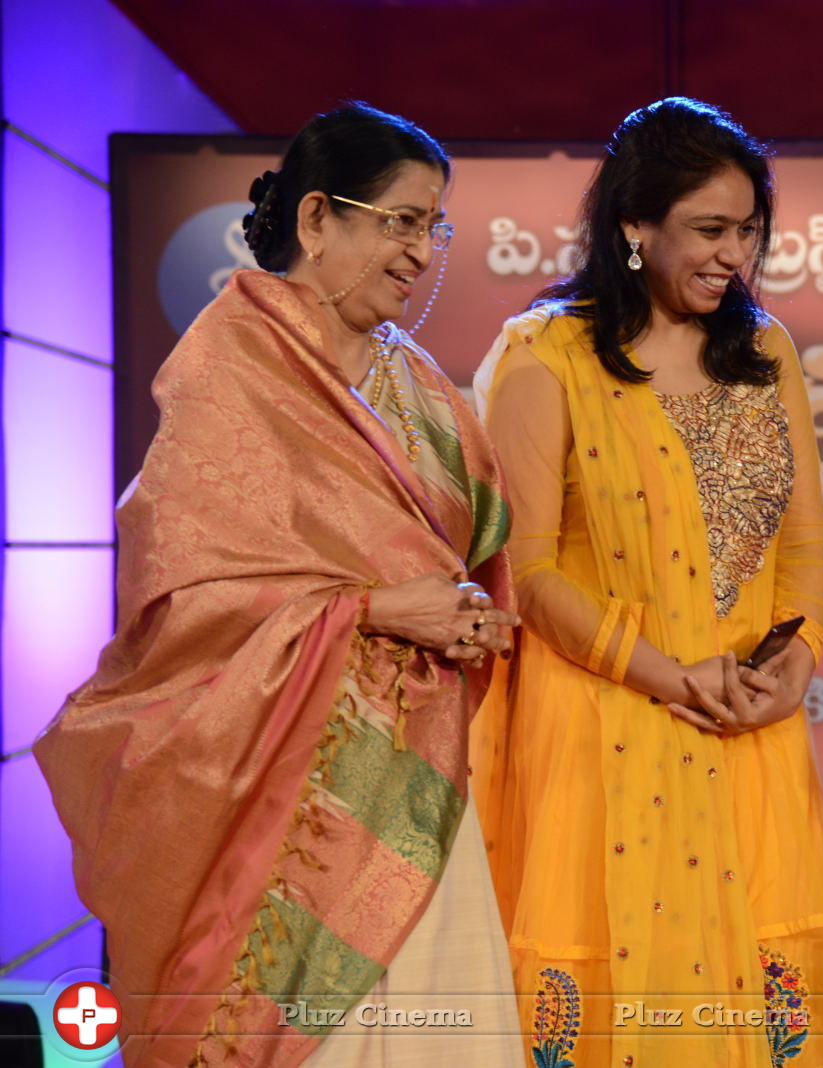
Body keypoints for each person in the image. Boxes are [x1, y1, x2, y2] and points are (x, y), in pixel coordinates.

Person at [35, 104, 525, 1067]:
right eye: (400, 221)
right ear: (315, 220)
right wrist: (379, 610)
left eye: (436, 227)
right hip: (273, 791)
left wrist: (460, 618)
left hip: (413, 785)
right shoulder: (232, 369)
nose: (424, 252)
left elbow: (472, 549)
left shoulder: (421, 386)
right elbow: (185, 601)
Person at [470, 97, 823, 1067]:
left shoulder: (763, 350)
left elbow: (804, 546)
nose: (732, 255)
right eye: (708, 229)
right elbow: (527, 574)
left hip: (747, 727)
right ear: (633, 224)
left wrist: (800, 658)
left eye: (747, 231)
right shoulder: (549, 358)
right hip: (605, 725)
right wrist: (670, 674)